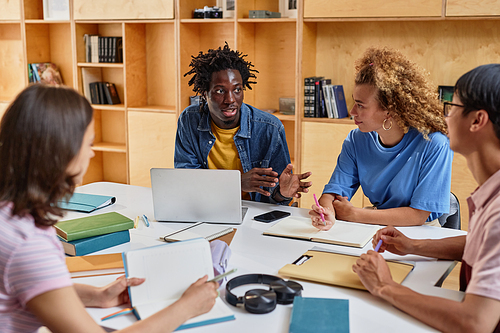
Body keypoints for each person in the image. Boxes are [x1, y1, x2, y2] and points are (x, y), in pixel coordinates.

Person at [0, 84, 218, 333]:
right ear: (63, 152)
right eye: (89, 143)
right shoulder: (29, 244)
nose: (92, 154)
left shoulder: (11, 215)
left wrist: (97, 296)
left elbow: (35, 285)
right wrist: (186, 307)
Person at [353, 64, 500, 332]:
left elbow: (474, 323)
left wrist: (385, 286)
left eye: (452, 108)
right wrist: (414, 246)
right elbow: (482, 243)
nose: (445, 117)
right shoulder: (491, 192)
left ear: (477, 120)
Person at [310, 47, 453, 227]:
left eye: (361, 105)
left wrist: (355, 214)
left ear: (390, 110)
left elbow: (417, 216)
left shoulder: (435, 144)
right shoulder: (356, 140)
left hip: (421, 230)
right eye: (354, 102)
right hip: (372, 223)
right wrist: (327, 213)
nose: (352, 112)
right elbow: (333, 193)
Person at [175, 43, 312, 205]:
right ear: (205, 93)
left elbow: (276, 199)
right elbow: (186, 181)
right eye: (220, 91)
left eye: (237, 90)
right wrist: (237, 183)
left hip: (252, 214)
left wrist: (283, 194)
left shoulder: (270, 128)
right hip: (206, 206)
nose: (230, 99)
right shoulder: (189, 120)